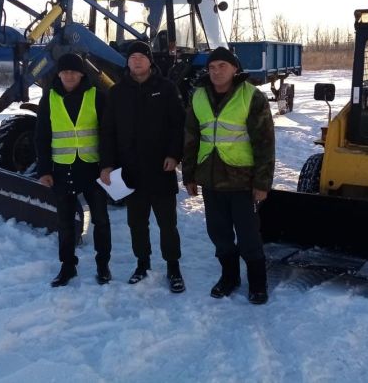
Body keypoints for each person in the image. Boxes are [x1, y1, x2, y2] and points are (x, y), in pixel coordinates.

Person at [183, 47, 275, 305]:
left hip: (241, 181)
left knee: (248, 237)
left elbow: (265, 142)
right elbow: (191, 138)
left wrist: (262, 182)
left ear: (235, 69)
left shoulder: (252, 96)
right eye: (212, 67)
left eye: (222, 66)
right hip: (211, 180)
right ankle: (229, 277)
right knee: (219, 235)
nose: (216, 71)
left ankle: (258, 284)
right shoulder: (198, 96)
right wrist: (189, 175)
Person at [99, 41, 186, 293]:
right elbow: (108, 132)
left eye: (141, 57)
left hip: (161, 169)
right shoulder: (116, 92)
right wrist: (106, 165)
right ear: (127, 62)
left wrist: (174, 154)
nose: (137, 61)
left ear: (150, 61)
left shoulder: (166, 88)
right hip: (130, 172)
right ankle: (142, 263)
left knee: (167, 223)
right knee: (136, 223)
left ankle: (173, 266)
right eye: (132, 57)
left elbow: (177, 125)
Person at [36, 52, 112, 287]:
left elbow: (108, 134)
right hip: (62, 169)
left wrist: (107, 165)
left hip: (92, 168)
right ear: (59, 74)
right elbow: (42, 136)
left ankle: (103, 265)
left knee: (101, 220)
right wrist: (44, 170)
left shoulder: (96, 96)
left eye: (73, 71)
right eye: (64, 71)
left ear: (81, 73)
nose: (69, 75)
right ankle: (68, 266)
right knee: (65, 222)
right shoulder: (48, 99)